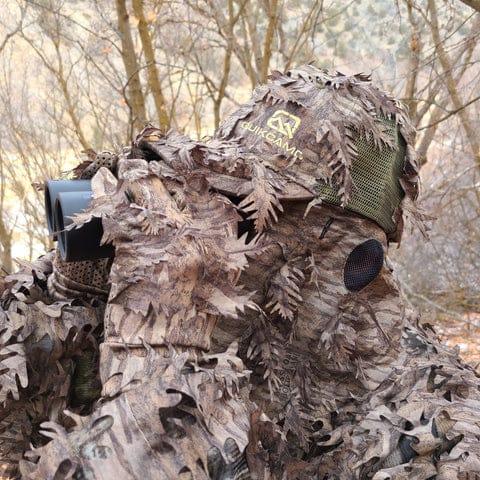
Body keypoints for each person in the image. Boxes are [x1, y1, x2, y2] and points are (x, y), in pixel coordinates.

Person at [2, 64, 479, 479]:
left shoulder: (437, 422)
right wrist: (72, 294)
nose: (208, 224)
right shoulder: (216, 320)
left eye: (246, 208)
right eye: (207, 191)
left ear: (351, 260)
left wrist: (160, 343)